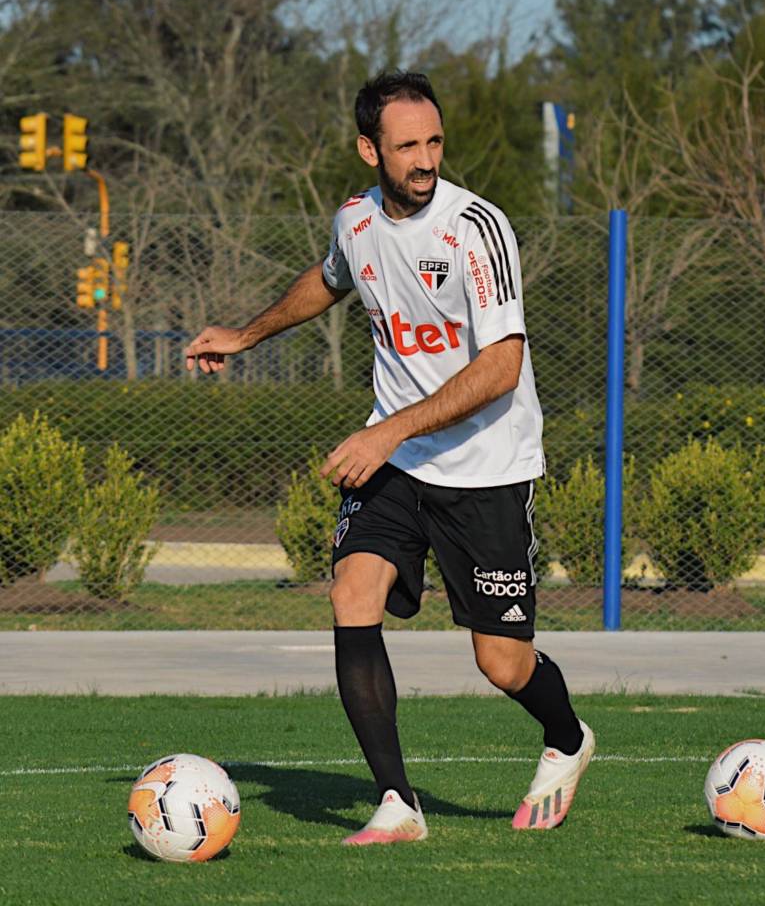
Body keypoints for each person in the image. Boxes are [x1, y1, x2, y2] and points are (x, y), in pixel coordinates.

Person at [184, 70, 594, 845]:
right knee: (352, 591)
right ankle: (398, 804)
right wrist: (246, 334)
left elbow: (502, 367)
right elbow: (328, 279)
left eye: (434, 142)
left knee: (503, 665)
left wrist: (388, 431)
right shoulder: (356, 221)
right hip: (398, 462)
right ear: (369, 149)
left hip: (485, 468)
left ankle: (568, 737)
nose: (425, 159)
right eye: (407, 146)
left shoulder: (476, 228)